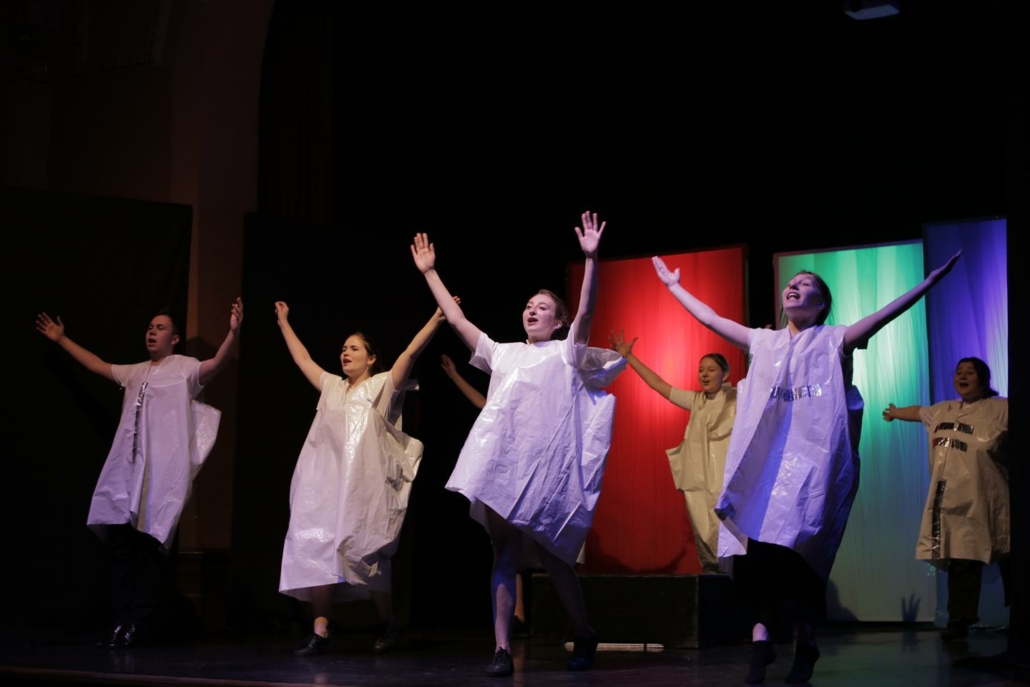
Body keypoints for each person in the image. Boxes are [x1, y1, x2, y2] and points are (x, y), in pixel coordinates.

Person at [652, 251, 960, 683]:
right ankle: (761, 638)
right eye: (791, 282)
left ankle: (805, 639)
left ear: (821, 303)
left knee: (796, 554)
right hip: (765, 468)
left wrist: (928, 283)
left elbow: (883, 316)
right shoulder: (763, 342)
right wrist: (674, 287)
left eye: (806, 283)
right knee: (752, 552)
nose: (794, 286)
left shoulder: (834, 340)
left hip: (811, 466)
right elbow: (710, 318)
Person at [410, 212, 625, 677]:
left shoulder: (566, 352)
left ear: (558, 321)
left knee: (553, 557)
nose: (531, 311)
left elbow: (587, 312)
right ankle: (502, 648)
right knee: (504, 554)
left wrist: (591, 260)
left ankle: (583, 631)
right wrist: (430, 273)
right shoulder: (502, 352)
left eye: (542, 307)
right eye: (528, 305)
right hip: (504, 470)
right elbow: (456, 319)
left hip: (546, 474)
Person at [35, 299, 243, 648]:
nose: (152, 332)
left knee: (149, 549)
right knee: (122, 550)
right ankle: (121, 621)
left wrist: (233, 334)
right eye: (150, 327)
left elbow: (217, 364)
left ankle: (139, 622)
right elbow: (97, 365)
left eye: (160, 328)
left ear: (174, 339)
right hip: (126, 475)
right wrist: (61, 339)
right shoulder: (135, 372)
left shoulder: (184, 368)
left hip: (159, 475)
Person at [275, 300, 446, 656]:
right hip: (323, 485)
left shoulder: (381, 386)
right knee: (317, 548)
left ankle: (387, 623)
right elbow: (303, 359)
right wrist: (284, 322)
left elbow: (410, 353)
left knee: (367, 554)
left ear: (371, 358)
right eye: (343, 348)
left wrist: (435, 319)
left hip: (363, 489)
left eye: (354, 348)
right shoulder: (332, 387)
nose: (345, 353)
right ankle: (320, 631)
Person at [882, 356, 1009, 641]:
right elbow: (920, 412)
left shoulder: (1000, 408)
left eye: (970, 372)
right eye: (959, 372)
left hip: (988, 496)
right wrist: (895, 412)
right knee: (962, 560)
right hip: (952, 500)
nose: (962, 376)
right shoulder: (944, 410)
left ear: (983, 378)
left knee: (1009, 556)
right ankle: (958, 622)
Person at [607, 332, 736, 573]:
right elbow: (659, 385)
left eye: (711, 369)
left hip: (726, 479)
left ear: (725, 374)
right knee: (704, 532)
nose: (704, 374)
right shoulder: (696, 400)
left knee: (729, 533)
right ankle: (713, 578)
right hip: (698, 480)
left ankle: (735, 580)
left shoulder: (737, 399)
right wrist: (629, 357)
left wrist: (763, 355)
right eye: (701, 370)